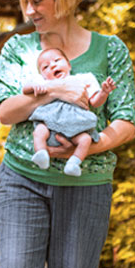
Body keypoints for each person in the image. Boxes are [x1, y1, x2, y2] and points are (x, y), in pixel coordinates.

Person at [0, 0, 135, 268]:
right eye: (25, 2)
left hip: (86, 185)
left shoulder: (110, 49)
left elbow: (127, 120)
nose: (29, 10)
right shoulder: (19, 47)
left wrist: (86, 147)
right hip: (22, 179)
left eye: (38, 1)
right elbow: (5, 111)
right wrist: (57, 90)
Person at [23, 48, 117, 176]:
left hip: (75, 124)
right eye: (45, 67)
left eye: (57, 60)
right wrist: (34, 87)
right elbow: (25, 89)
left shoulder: (83, 79)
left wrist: (104, 93)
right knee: (39, 130)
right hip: (51, 121)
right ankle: (41, 154)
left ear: (69, 65)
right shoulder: (45, 83)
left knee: (85, 140)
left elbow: (95, 102)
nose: (52, 65)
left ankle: (73, 163)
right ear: (43, 75)